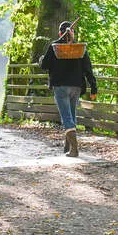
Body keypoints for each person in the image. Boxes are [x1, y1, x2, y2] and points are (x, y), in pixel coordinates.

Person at [39, 20, 97, 157]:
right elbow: (88, 69)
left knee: (66, 117)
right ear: (72, 33)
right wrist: (94, 88)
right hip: (76, 86)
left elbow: (44, 65)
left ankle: (74, 150)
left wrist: (41, 59)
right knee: (71, 115)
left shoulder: (55, 47)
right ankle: (68, 146)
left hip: (60, 86)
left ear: (60, 33)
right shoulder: (80, 48)